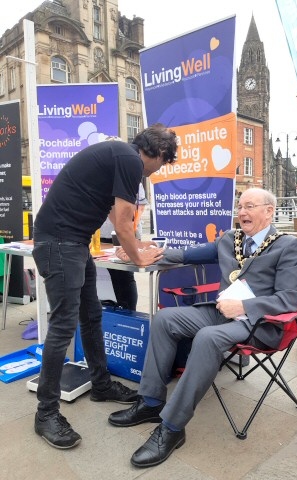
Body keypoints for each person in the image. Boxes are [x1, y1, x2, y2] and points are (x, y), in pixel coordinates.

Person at [108, 188, 297, 468]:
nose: (242, 212)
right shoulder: (229, 239)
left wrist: (246, 307)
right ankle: (151, 402)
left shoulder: (288, 245)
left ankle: (172, 427)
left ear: (269, 211)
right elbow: (185, 255)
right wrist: (138, 253)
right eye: (240, 206)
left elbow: (291, 298)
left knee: (207, 338)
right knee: (165, 319)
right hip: (221, 314)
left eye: (249, 206)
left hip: (259, 324)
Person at [32, 124, 178, 449]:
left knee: (92, 313)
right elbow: (123, 219)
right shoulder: (130, 160)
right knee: (62, 326)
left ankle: (101, 384)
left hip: (73, 242)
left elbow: (117, 217)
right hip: (60, 243)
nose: (156, 172)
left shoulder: (120, 156)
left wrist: (135, 246)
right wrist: (141, 259)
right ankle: (46, 413)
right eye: (163, 162)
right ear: (156, 152)